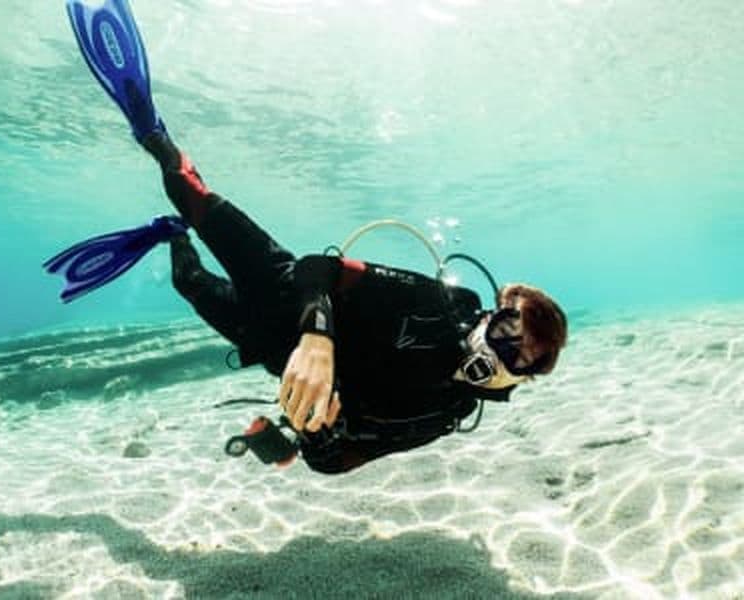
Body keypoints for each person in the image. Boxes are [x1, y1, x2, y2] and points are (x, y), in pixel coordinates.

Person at [55, 0, 567, 474]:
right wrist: (318, 341)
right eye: (506, 330)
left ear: (524, 379)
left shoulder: (444, 415)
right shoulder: (434, 302)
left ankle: (170, 237)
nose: (504, 352)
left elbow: (339, 461)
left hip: (259, 337)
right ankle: (153, 135)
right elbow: (316, 270)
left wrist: (314, 435)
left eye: (523, 356)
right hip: (279, 280)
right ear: (488, 317)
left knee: (188, 282)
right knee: (192, 195)